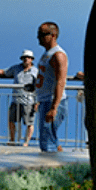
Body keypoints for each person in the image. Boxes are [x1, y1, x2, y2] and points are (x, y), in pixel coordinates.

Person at [0, 50, 38, 146]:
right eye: (24, 57)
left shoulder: (35, 71)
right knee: (11, 121)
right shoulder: (16, 68)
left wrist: (37, 101)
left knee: (29, 122)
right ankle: (12, 140)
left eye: (28, 57)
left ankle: (26, 142)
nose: (26, 59)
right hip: (16, 100)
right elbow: (4, 72)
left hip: (29, 101)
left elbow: (39, 87)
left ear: (31, 59)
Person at [35, 22, 68, 153]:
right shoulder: (47, 53)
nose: (38, 37)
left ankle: (51, 168)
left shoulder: (58, 55)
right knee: (49, 139)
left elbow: (60, 81)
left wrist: (54, 107)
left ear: (53, 35)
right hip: (45, 100)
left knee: (48, 142)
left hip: (52, 102)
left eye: (42, 34)